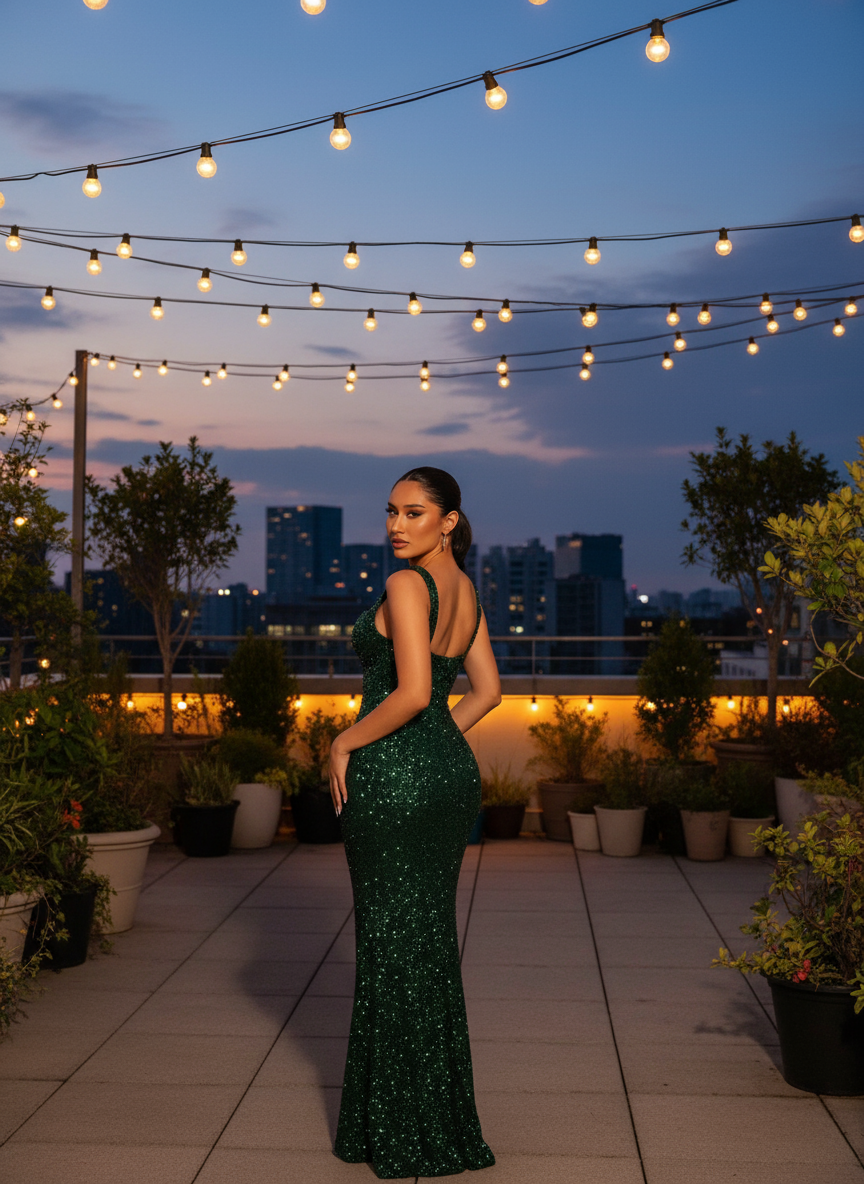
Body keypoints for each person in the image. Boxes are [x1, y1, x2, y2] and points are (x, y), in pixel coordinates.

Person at [329, 466, 501, 1179]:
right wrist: (439, 744)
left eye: (415, 512)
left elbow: (412, 691)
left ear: (448, 521)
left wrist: (342, 742)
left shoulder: (407, 587)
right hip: (446, 778)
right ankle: (437, 1124)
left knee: (388, 947)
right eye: (392, 513)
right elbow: (487, 692)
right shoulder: (467, 593)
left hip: (393, 782)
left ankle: (397, 1131)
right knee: (424, 945)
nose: (397, 525)